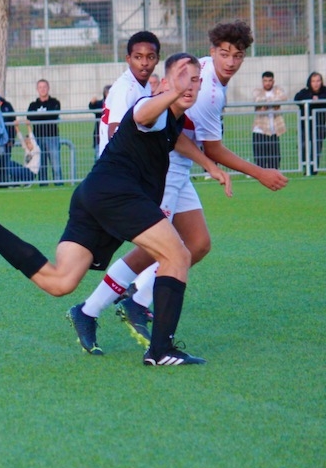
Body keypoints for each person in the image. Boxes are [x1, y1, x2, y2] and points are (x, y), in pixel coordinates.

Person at [0, 54, 232, 366]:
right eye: (181, 77)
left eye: (195, 79)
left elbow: (175, 140)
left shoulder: (171, 120)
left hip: (92, 194)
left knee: (60, 282)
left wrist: (208, 164)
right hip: (118, 194)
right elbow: (145, 114)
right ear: (163, 83)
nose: (189, 85)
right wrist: (173, 92)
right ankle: (161, 351)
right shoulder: (153, 107)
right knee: (178, 255)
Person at [69, 20, 289, 355]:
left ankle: (137, 300)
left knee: (198, 243)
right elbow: (210, 146)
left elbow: (181, 132)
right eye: (224, 53)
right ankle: (93, 309)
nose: (230, 61)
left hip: (180, 166)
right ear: (212, 51)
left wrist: (208, 166)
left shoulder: (204, 73)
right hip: (165, 167)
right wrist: (258, 173)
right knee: (157, 248)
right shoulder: (208, 91)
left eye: (237, 55)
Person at [98, 31, 161, 158]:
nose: (144, 63)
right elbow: (114, 133)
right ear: (128, 59)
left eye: (150, 57)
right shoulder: (126, 89)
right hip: (118, 163)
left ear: (157, 59)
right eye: (138, 57)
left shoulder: (144, 85)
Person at [25, 79, 62, 185]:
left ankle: (59, 183)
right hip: (38, 138)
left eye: (44, 87)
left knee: (55, 163)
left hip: (52, 137)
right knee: (41, 164)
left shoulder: (55, 102)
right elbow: (30, 117)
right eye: (40, 87)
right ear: (37, 89)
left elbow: (53, 116)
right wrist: (45, 115)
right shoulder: (33, 105)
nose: (42, 89)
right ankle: (43, 184)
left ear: (48, 88)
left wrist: (39, 116)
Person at [252, 71, 287, 170]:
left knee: (274, 160)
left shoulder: (278, 90)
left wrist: (267, 103)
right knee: (260, 161)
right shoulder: (257, 91)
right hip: (260, 130)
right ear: (262, 81)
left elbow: (283, 97)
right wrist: (272, 103)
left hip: (274, 130)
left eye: (270, 80)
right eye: (265, 81)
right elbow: (258, 100)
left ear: (273, 81)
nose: (267, 83)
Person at [295, 72, 326, 175]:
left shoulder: (324, 91)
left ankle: (313, 169)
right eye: (313, 81)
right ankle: (306, 166)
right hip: (305, 125)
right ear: (310, 82)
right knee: (303, 146)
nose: (316, 84)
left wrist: (319, 100)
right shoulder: (305, 92)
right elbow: (297, 98)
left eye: (318, 81)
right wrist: (311, 98)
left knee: (316, 147)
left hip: (319, 125)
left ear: (321, 82)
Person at [88, 85, 110, 154]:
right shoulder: (100, 103)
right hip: (99, 134)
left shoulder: (116, 103)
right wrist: (92, 103)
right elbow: (91, 107)